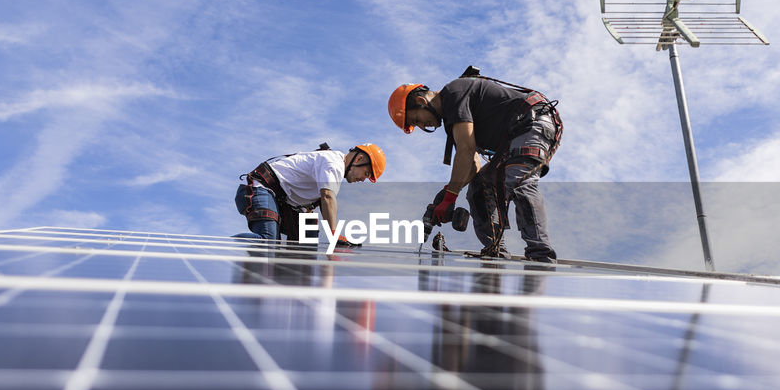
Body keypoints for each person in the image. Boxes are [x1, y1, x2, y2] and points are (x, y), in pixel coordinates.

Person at [387, 67, 562, 262]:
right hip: (515, 137)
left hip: (533, 122)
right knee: (479, 187)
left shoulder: (453, 93)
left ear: (421, 102)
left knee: (518, 181)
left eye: (417, 120)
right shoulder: (452, 117)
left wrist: (451, 196)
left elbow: (466, 150)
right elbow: (472, 166)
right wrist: (449, 192)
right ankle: (495, 250)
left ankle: (541, 254)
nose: (423, 126)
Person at [234, 143, 384, 244]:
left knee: (306, 246)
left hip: (283, 201)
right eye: (366, 173)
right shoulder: (334, 164)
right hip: (262, 188)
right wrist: (333, 234)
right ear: (358, 159)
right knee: (267, 242)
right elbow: (328, 197)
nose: (363, 179)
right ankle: (217, 251)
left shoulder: (332, 167)